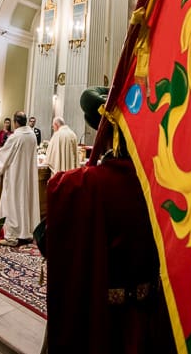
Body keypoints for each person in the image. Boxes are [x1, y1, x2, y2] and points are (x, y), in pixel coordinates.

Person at [45, 87, 175, 354]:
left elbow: (57, 241)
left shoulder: (81, 185)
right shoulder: (160, 184)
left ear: (103, 135)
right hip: (147, 317)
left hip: (100, 319)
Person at [0, 110, 40, 247]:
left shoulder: (16, 136)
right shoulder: (31, 134)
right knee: (25, 201)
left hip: (15, 175)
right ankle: (26, 231)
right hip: (28, 175)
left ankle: (12, 235)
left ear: (15, 122)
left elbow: (3, 155)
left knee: (12, 202)